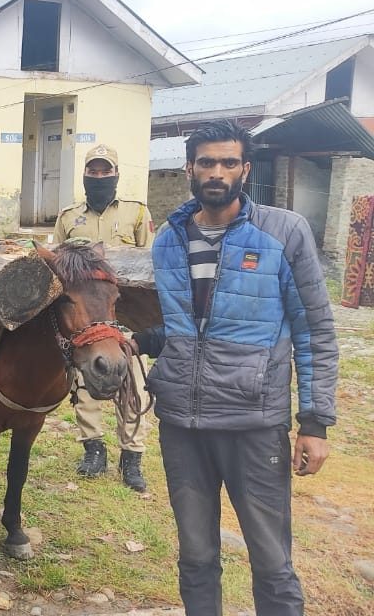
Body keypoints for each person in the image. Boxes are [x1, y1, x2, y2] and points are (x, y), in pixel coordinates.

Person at [135, 119, 336, 615]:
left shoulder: (284, 232)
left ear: (245, 170)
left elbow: (314, 331)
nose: (217, 172)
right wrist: (137, 341)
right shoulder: (169, 240)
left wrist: (314, 423)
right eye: (207, 162)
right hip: (182, 424)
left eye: (229, 162)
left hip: (254, 424)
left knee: (271, 561)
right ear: (189, 168)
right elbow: (186, 328)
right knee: (196, 556)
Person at [53, 144, 154, 492]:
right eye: (93, 171)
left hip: (125, 314)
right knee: (85, 383)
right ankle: (93, 448)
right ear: (84, 175)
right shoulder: (68, 216)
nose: (99, 177)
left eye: (105, 171)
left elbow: (148, 265)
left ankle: (132, 456)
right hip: (87, 318)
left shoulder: (136, 212)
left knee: (135, 382)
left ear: (116, 174)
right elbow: (58, 266)